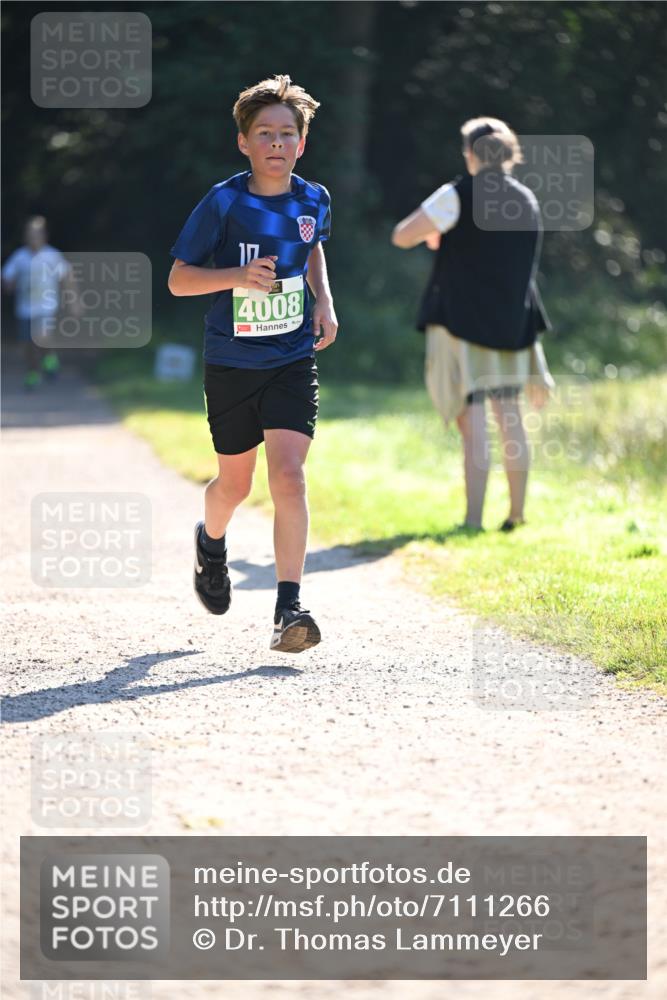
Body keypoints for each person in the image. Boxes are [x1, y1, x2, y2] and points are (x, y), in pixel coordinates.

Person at [168, 74, 337, 653]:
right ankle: (211, 544)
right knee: (233, 486)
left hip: (291, 357)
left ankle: (289, 608)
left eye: (287, 133)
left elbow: (312, 248)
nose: (275, 143)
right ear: (243, 142)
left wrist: (325, 303)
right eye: (264, 133)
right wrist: (237, 276)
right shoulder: (224, 201)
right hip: (233, 360)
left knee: (289, 476)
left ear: (302, 143)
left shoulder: (314, 198)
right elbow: (178, 280)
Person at [392, 117, 555, 531]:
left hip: (462, 325)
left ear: (470, 154)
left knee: (473, 421)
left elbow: (403, 235)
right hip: (514, 326)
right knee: (510, 416)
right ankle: (516, 515)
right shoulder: (528, 199)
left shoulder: (457, 195)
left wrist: (438, 233)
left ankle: (472, 520)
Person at [1, 216, 70, 390]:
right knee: (27, 344)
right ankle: (32, 371)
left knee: (41, 336)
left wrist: (72, 298)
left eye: (36, 235)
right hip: (25, 308)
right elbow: (8, 276)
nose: (33, 239)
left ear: (44, 236)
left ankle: (49, 359)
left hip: (47, 305)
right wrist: (9, 284)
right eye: (30, 235)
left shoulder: (52, 255)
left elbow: (65, 277)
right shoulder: (19, 257)